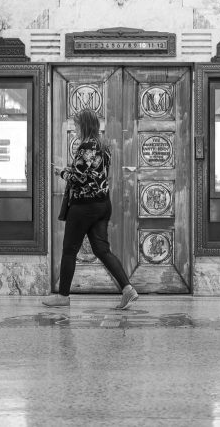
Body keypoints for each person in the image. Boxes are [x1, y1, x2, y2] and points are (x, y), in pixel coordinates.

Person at [42, 109, 138, 309]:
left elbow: (79, 178)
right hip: (102, 204)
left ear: (84, 125)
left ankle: (63, 296)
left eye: (77, 125)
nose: (75, 129)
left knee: (69, 250)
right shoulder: (103, 145)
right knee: (102, 250)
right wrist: (69, 170)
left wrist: (61, 173)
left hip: (84, 207)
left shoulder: (86, 145)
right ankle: (128, 288)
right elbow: (91, 173)